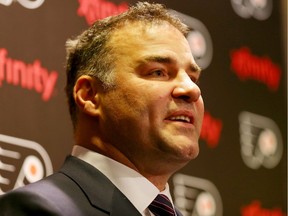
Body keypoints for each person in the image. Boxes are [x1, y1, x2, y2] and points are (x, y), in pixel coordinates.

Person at [0, 2, 204, 215]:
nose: (191, 90)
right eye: (158, 72)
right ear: (89, 95)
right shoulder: (36, 210)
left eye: (192, 78)